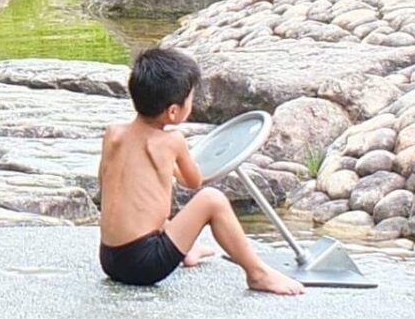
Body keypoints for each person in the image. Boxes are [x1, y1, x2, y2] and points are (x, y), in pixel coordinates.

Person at [97, 48, 304, 295]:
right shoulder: (172, 141)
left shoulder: (113, 134)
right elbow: (194, 181)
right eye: (191, 99)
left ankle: (186, 249)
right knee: (212, 200)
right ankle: (257, 274)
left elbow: (111, 184)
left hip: (110, 259)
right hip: (143, 266)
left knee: (143, 199)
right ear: (173, 111)